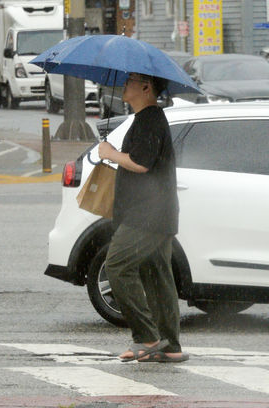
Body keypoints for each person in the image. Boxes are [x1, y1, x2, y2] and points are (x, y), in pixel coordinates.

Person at [97, 72, 188, 363]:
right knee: (157, 276)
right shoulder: (145, 118)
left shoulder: (150, 119)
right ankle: (170, 345)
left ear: (146, 87)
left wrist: (110, 153)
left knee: (117, 266)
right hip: (156, 212)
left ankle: (146, 336)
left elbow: (140, 163)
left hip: (147, 214)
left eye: (130, 82)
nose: (124, 86)